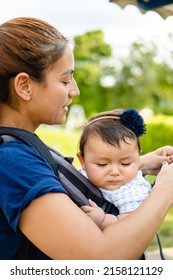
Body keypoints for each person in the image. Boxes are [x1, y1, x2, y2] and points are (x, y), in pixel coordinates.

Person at [1, 17, 173, 260]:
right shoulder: (13, 161)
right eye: (65, 80)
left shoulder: (20, 147)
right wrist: (165, 190)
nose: (75, 90)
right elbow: (99, 257)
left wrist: (137, 165)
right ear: (25, 86)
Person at [77, 108, 161, 228]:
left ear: (138, 159)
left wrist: (103, 220)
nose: (115, 172)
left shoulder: (133, 190)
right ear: (83, 161)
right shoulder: (79, 174)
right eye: (102, 164)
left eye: (125, 163)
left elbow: (131, 224)